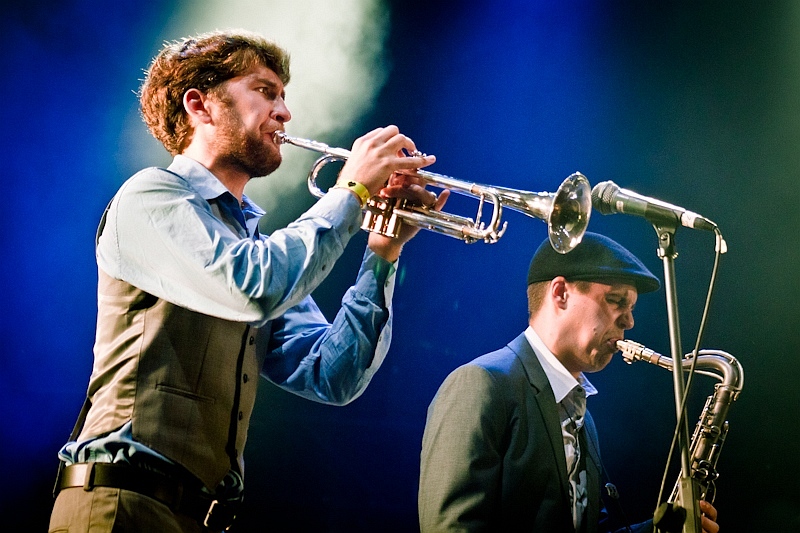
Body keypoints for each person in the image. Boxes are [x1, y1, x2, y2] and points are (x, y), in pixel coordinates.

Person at [49, 29, 446, 533]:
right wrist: (351, 189)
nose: (285, 112)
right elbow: (251, 289)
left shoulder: (254, 245)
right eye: (265, 91)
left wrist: (383, 252)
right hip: (121, 505)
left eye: (284, 95)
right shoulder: (151, 197)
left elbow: (331, 374)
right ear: (200, 105)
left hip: (199, 517)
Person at [418, 232, 720, 533]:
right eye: (616, 301)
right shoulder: (481, 384)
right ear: (560, 293)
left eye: (631, 309)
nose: (629, 322)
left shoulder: (582, 418)